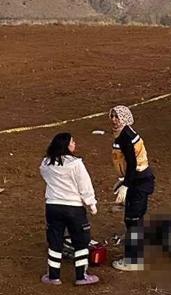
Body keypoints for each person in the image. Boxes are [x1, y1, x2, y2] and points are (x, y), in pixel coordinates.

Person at [39, 132, 99, 285]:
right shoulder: (76, 164)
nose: (74, 144)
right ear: (66, 145)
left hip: (52, 206)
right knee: (80, 241)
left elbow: (44, 174)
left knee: (55, 241)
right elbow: (84, 184)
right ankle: (81, 276)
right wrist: (91, 203)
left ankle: (53, 277)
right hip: (73, 208)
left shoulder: (46, 163)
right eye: (72, 142)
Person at [109, 106, 155, 271]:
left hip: (139, 182)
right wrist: (123, 180)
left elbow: (132, 163)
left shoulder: (125, 137)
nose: (114, 120)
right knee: (136, 219)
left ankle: (133, 260)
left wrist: (126, 185)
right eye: (112, 116)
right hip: (139, 180)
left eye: (117, 117)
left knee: (132, 220)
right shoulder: (125, 132)